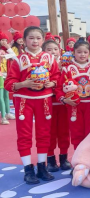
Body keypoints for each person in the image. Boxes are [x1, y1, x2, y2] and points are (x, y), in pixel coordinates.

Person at [5, 26, 60, 184]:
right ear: (24, 40)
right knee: (24, 135)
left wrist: (52, 83)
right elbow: (9, 83)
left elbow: (57, 77)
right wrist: (24, 83)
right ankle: (28, 169)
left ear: (43, 40)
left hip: (44, 100)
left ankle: (42, 167)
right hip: (24, 100)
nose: (35, 41)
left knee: (44, 134)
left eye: (38, 38)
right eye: (31, 38)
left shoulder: (49, 59)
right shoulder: (18, 59)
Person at [56, 38, 90, 150]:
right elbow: (59, 87)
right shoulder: (68, 69)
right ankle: (78, 161)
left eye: (85, 52)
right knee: (76, 133)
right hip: (74, 106)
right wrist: (64, 100)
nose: (82, 55)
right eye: (79, 52)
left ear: (89, 52)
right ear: (73, 53)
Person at [43, 40, 71, 172]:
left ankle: (64, 158)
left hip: (63, 104)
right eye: (49, 49)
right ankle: (50, 160)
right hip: (47, 104)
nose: (53, 52)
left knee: (64, 132)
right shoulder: (40, 66)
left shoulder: (66, 66)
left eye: (55, 49)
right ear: (44, 52)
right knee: (49, 133)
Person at [0, 32, 15, 125]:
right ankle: (3, 117)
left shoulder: (5, 51)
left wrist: (4, 55)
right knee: (0, 96)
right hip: (0, 75)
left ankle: (8, 113)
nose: (4, 42)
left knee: (6, 95)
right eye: (2, 40)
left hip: (6, 74)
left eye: (6, 40)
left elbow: (13, 56)